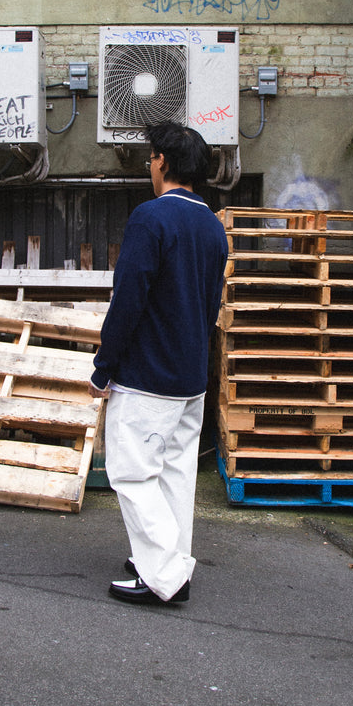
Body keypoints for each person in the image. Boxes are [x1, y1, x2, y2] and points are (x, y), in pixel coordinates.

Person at [88, 121, 229, 606]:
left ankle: (164, 577)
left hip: (148, 376)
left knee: (131, 473)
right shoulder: (213, 225)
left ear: (163, 163)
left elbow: (128, 299)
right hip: (190, 376)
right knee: (174, 473)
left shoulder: (151, 218)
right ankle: (167, 559)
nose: (150, 165)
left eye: (151, 158)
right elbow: (211, 305)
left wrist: (104, 366)